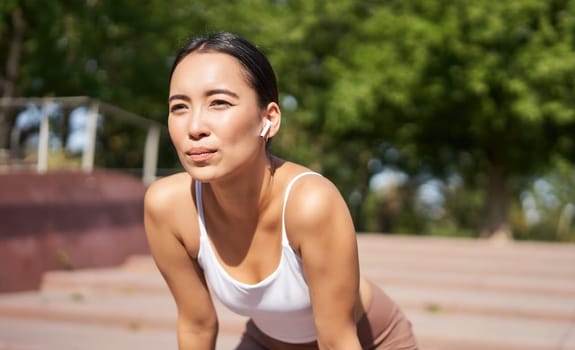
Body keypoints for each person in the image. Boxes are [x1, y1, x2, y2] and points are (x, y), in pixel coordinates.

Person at [143, 32, 418, 350]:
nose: (194, 127)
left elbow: (337, 341)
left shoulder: (311, 204)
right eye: (179, 107)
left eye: (219, 103)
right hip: (268, 343)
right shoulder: (168, 207)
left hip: (369, 342)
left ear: (269, 119)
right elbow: (196, 326)